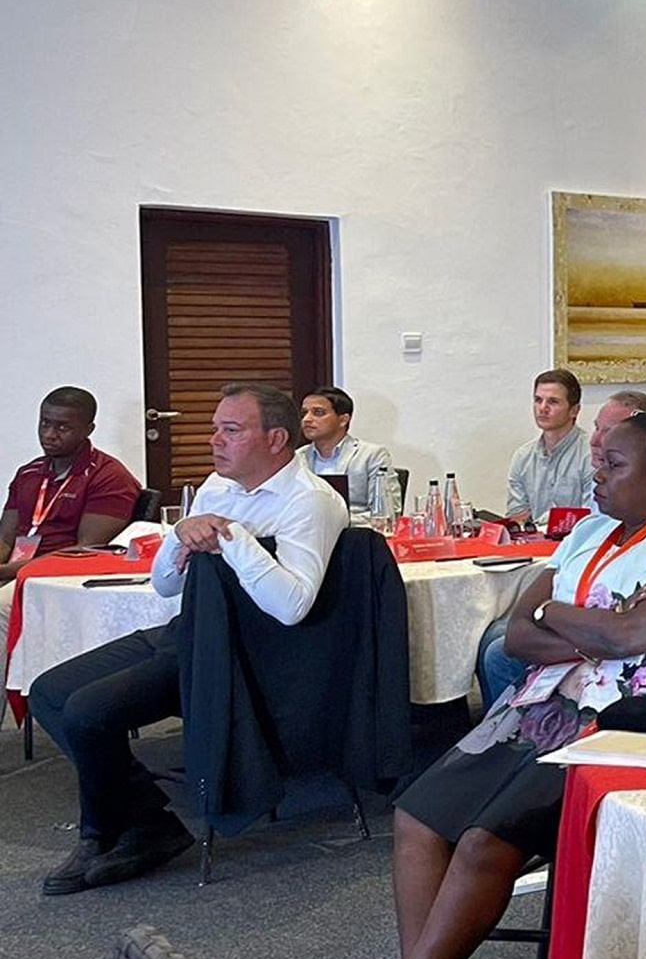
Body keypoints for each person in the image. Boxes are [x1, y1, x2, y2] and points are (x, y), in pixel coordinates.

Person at [272, 414, 646, 959]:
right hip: (539, 705)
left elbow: (637, 636)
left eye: (611, 465)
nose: (594, 475)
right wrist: (580, 620)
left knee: (486, 841)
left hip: (624, 726)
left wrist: (563, 614)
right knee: (419, 816)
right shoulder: (586, 533)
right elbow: (517, 633)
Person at [30, 384, 346, 896]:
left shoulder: (309, 502)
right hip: (191, 634)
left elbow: (292, 607)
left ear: (276, 439)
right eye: (215, 428)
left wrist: (232, 537)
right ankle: (148, 820)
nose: (214, 440)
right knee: (48, 692)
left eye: (231, 430)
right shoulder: (218, 487)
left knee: (88, 711)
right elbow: (164, 584)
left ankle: (102, 831)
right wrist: (180, 536)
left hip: (245, 656)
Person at [480, 388, 646, 706]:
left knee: (499, 649)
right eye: (597, 427)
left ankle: (522, 732)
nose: (595, 439)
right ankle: (506, 730)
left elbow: (631, 611)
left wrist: (548, 613)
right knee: (497, 634)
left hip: (605, 622)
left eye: (608, 431)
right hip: (574, 604)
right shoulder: (596, 507)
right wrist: (543, 612)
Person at [1, 387, 142, 629]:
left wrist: (7, 571)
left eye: (62, 428)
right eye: (44, 424)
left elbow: (85, 550)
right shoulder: (28, 473)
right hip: (17, 570)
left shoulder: (109, 477)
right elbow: (5, 539)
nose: (49, 434)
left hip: (61, 577)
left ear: (88, 430)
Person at [505, 370, 590, 524]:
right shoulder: (523, 456)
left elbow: (592, 516)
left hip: (579, 543)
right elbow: (517, 515)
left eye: (553, 402)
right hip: (534, 544)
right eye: (538, 400)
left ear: (574, 410)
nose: (542, 408)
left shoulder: (592, 454)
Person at [298, 386, 394, 511]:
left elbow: (384, 512)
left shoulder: (372, 455)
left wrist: (334, 520)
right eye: (304, 413)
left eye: (318, 413)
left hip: (354, 528)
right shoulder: (298, 457)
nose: (307, 419)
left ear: (343, 420)